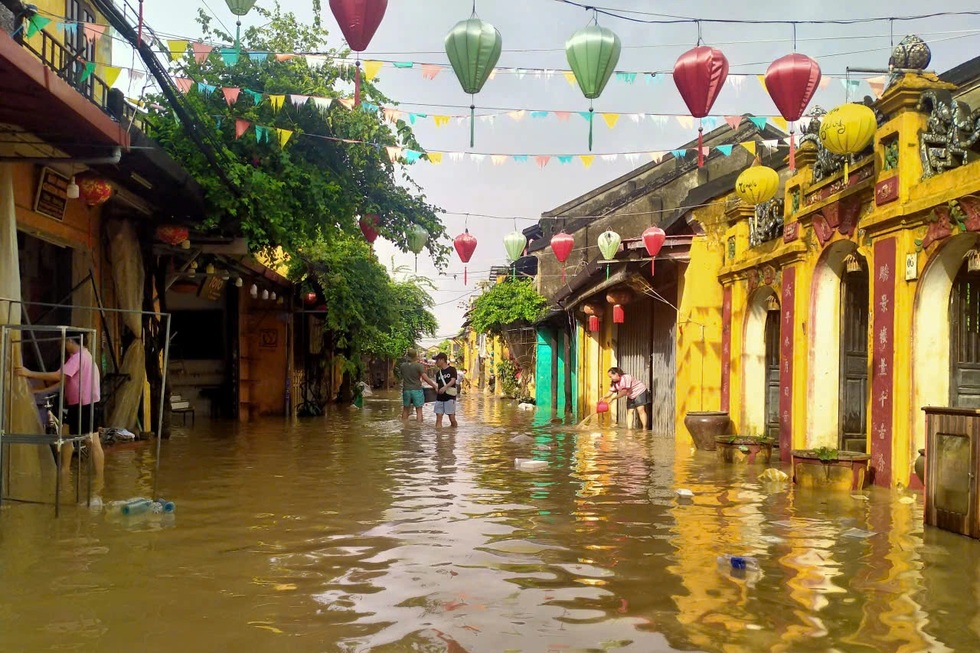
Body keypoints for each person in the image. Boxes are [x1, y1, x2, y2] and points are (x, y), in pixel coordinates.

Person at [17, 337, 104, 476]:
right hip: (80, 405)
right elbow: (64, 381)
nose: (62, 345)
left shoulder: (78, 357)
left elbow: (58, 376)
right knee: (66, 435)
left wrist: (29, 373)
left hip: (85, 405)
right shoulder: (84, 356)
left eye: (63, 342)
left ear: (70, 341)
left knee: (92, 441)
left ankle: (98, 478)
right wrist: (41, 391)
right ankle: (65, 469)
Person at [399, 349, 437, 422]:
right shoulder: (419, 366)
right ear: (415, 356)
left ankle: (404, 426)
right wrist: (434, 386)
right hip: (417, 390)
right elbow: (425, 378)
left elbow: (402, 376)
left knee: (405, 409)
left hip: (406, 390)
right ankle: (419, 426)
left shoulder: (402, 366)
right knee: (419, 410)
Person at [433, 353, 458, 427]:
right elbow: (438, 384)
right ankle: (438, 433)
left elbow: (453, 380)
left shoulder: (452, 369)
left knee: (452, 418)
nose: (436, 362)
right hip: (439, 398)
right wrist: (436, 388)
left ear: (442, 360)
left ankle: (454, 432)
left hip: (450, 397)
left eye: (437, 360)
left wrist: (445, 387)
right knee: (438, 418)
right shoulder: (438, 373)